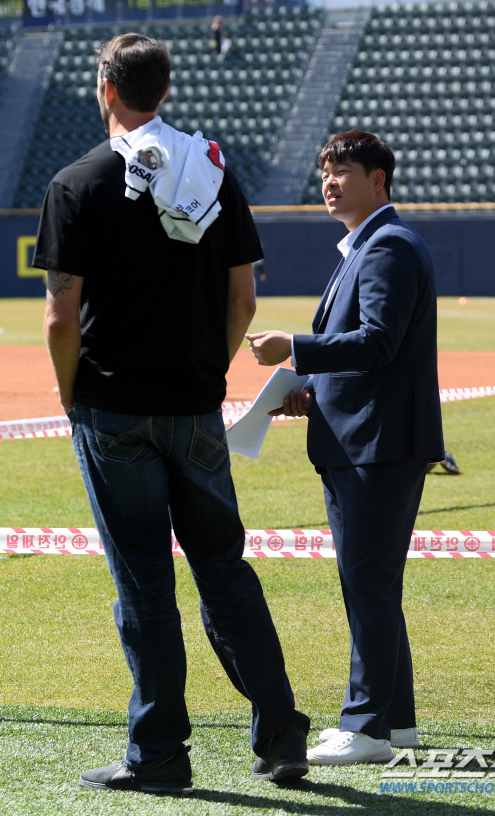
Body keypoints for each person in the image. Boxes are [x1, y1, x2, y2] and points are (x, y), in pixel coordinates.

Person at [33, 33, 309, 795]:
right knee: (225, 569)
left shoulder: (75, 181)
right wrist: (206, 372)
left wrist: (68, 394)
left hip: (112, 406)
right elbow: (245, 299)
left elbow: (62, 318)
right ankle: (282, 733)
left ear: (106, 90)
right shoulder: (212, 170)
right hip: (194, 405)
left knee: (145, 583)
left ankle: (160, 754)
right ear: (164, 89)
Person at [247, 130, 444, 765]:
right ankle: (397, 723)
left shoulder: (386, 246)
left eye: (343, 171)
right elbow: (365, 355)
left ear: (378, 180)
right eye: (324, 171)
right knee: (373, 583)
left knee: (368, 584)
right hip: (363, 438)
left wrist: (296, 350)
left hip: (378, 445)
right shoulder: (367, 246)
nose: (329, 182)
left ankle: (365, 728)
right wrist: (309, 390)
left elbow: (378, 342)